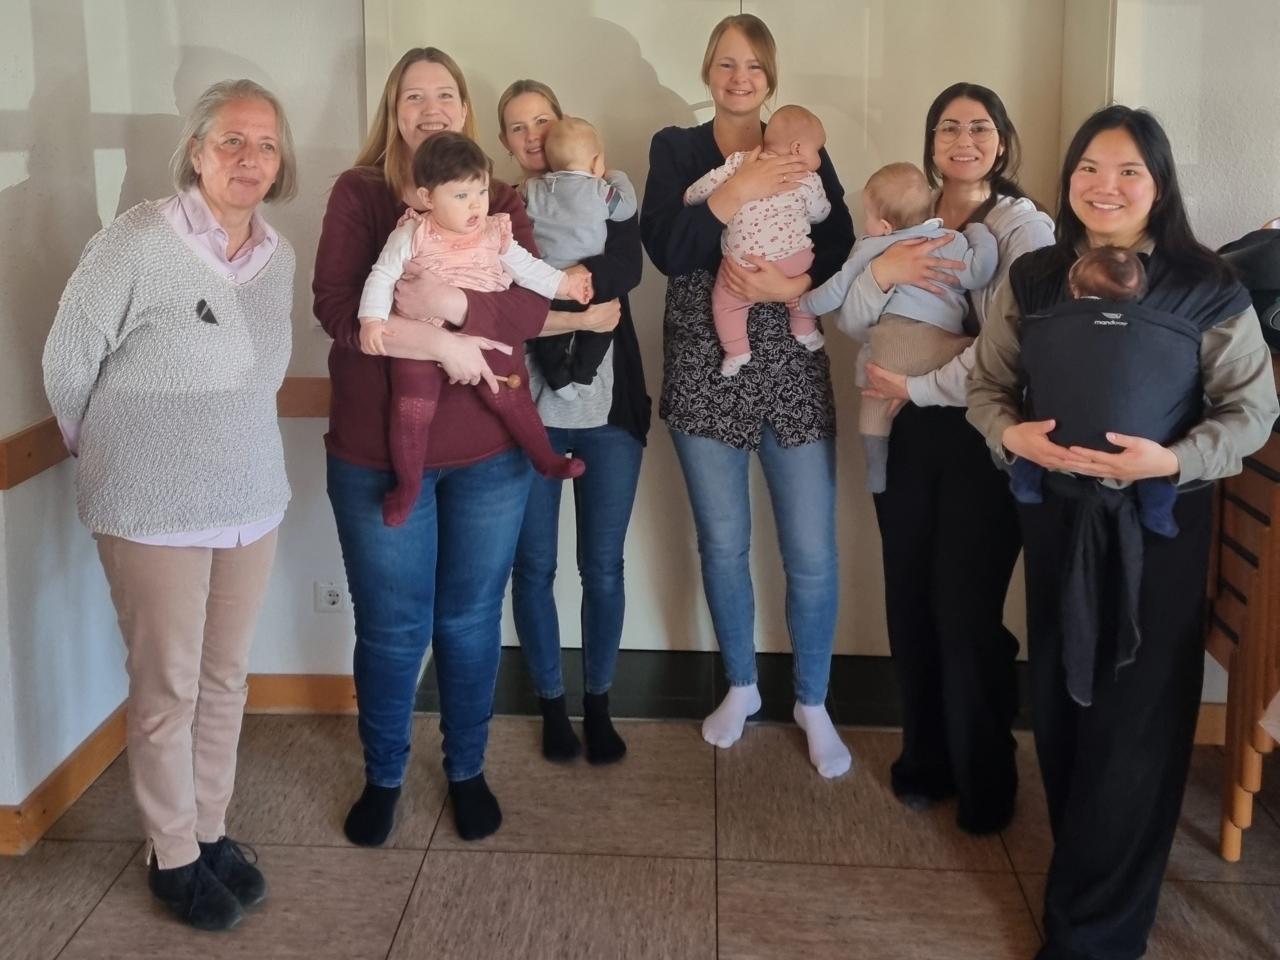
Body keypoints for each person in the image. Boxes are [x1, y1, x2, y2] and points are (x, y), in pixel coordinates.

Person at [968, 105, 1279, 959]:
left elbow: (1252, 411)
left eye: (1129, 171)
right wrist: (1014, 436)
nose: (1106, 186)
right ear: (1068, 179)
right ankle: (1082, 877)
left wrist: (1172, 460)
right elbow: (988, 386)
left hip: (1160, 528)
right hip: (1056, 518)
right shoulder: (1035, 278)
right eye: (1089, 169)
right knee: (1063, 701)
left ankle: (1096, 936)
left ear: (1160, 184)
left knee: (1137, 718)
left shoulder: (1206, 284)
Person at [313, 48, 614, 845]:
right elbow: (337, 309)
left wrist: (448, 305)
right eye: (414, 96)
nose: (432, 108)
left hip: (489, 456)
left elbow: (526, 311)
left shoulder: (497, 196)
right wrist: (434, 341)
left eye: (445, 94)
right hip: (376, 455)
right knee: (392, 627)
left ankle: (466, 768)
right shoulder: (359, 193)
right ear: (393, 112)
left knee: (471, 619)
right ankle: (384, 775)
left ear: (465, 108)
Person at [42, 79, 297, 931]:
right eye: (232, 141)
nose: (250, 159)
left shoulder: (278, 256)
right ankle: (172, 854)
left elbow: (260, 376)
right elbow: (68, 361)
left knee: (226, 678)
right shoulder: (137, 240)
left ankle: (210, 832)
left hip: (250, 494)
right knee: (166, 688)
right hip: (150, 502)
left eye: (266, 144)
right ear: (196, 151)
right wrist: (110, 449)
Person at [831, 82, 1055, 829]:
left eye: (979, 127)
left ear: (1002, 141)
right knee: (910, 597)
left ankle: (986, 777)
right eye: (949, 127)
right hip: (904, 429)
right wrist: (882, 275)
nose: (964, 140)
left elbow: (1014, 345)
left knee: (966, 611)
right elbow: (857, 320)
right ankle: (924, 758)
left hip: (980, 433)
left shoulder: (1020, 225)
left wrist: (920, 384)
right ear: (931, 142)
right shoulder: (910, 214)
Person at [640, 14, 856, 778]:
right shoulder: (676, 149)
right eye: (727, 64)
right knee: (724, 543)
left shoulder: (800, 145)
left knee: (812, 551)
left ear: (771, 77)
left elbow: (840, 245)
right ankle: (741, 685)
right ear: (708, 70)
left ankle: (813, 700)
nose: (740, 78)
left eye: (754, 66)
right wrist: (739, 191)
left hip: (794, 365)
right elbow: (668, 250)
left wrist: (790, 286)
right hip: (707, 367)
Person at [498, 79, 649, 765]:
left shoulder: (604, 192)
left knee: (603, 567)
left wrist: (556, 291)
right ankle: (553, 706)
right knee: (533, 567)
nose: (532, 135)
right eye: (517, 127)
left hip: (610, 413)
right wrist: (572, 312)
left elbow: (624, 268)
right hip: (527, 416)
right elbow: (499, 300)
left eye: (542, 120)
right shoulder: (503, 207)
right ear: (506, 143)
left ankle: (600, 704)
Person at [357, 132, 591, 526]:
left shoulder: (494, 233)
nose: (476, 205)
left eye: (481, 192)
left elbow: (529, 270)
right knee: (412, 404)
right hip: (422, 338)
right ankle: (408, 487)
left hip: (484, 330)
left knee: (509, 393)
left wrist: (564, 285)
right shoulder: (412, 233)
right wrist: (371, 319)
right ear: (428, 197)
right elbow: (382, 274)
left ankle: (545, 458)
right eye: (461, 195)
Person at [800, 161, 997, 492]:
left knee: (874, 403)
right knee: (976, 357)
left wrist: (804, 303)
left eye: (868, 215)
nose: (866, 223)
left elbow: (835, 292)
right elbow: (979, 273)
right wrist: (979, 233)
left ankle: (876, 473)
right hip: (943, 350)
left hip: (892, 349)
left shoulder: (871, 247)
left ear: (885, 225)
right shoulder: (950, 239)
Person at [1007, 246, 1182, 540]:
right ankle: (1157, 512)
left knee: (1030, 440)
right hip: (1133, 439)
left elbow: (1030, 364)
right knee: (1157, 466)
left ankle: (1025, 484)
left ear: (1074, 289)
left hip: (1058, 429)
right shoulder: (1151, 328)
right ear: (1139, 292)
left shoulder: (1049, 322)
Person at [682, 103, 831, 376]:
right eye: (817, 151)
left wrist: (690, 196)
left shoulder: (740, 162)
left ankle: (737, 350)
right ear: (798, 148)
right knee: (805, 294)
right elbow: (821, 214)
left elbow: (701, 189)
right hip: (796, 260)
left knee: (726, 304)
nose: (819, 159)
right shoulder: (808, 177)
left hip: (743, 266)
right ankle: (804, 328)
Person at [524, 115, 637, 400]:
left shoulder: (532, 189)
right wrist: (616, 176)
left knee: (548, 341)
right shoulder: (600, 191)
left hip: (549, 285)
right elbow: (626, 208)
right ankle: (584, 374)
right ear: (597, 161)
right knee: (600, 330)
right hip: (589, 285)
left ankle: (558, 380)